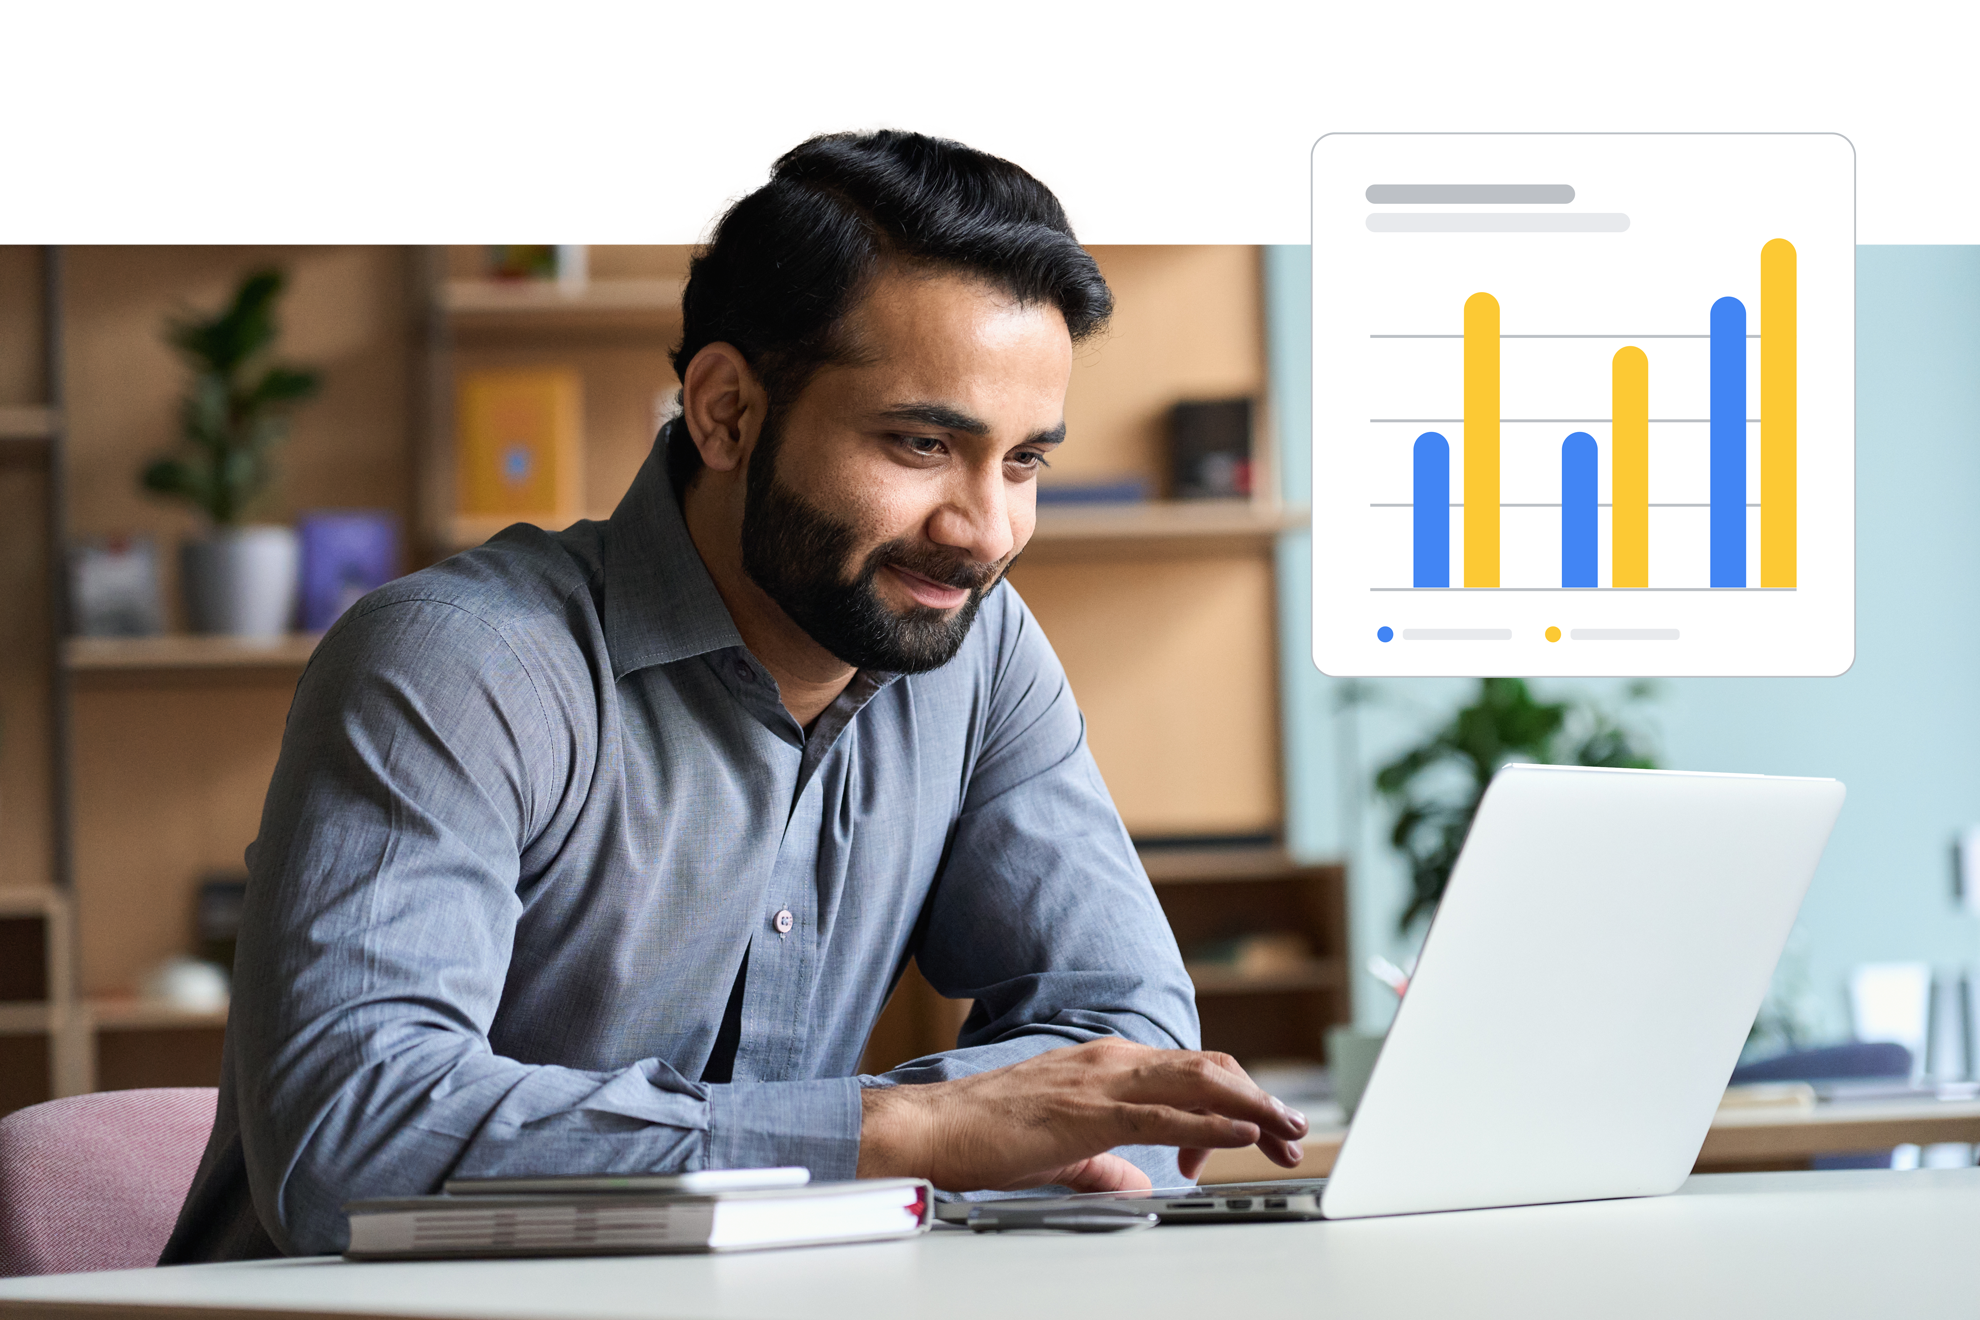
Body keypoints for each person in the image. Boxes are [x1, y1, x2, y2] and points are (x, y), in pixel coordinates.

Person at [162, 128, 1307, 1261]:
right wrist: (905, 1132)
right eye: (919, 444)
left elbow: (1131, 1041)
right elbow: (353, 1144)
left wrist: (964, 1135)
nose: (985, 532)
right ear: (724, 413)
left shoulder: (980, 651)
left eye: (1024, 462)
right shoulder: (456, 665)